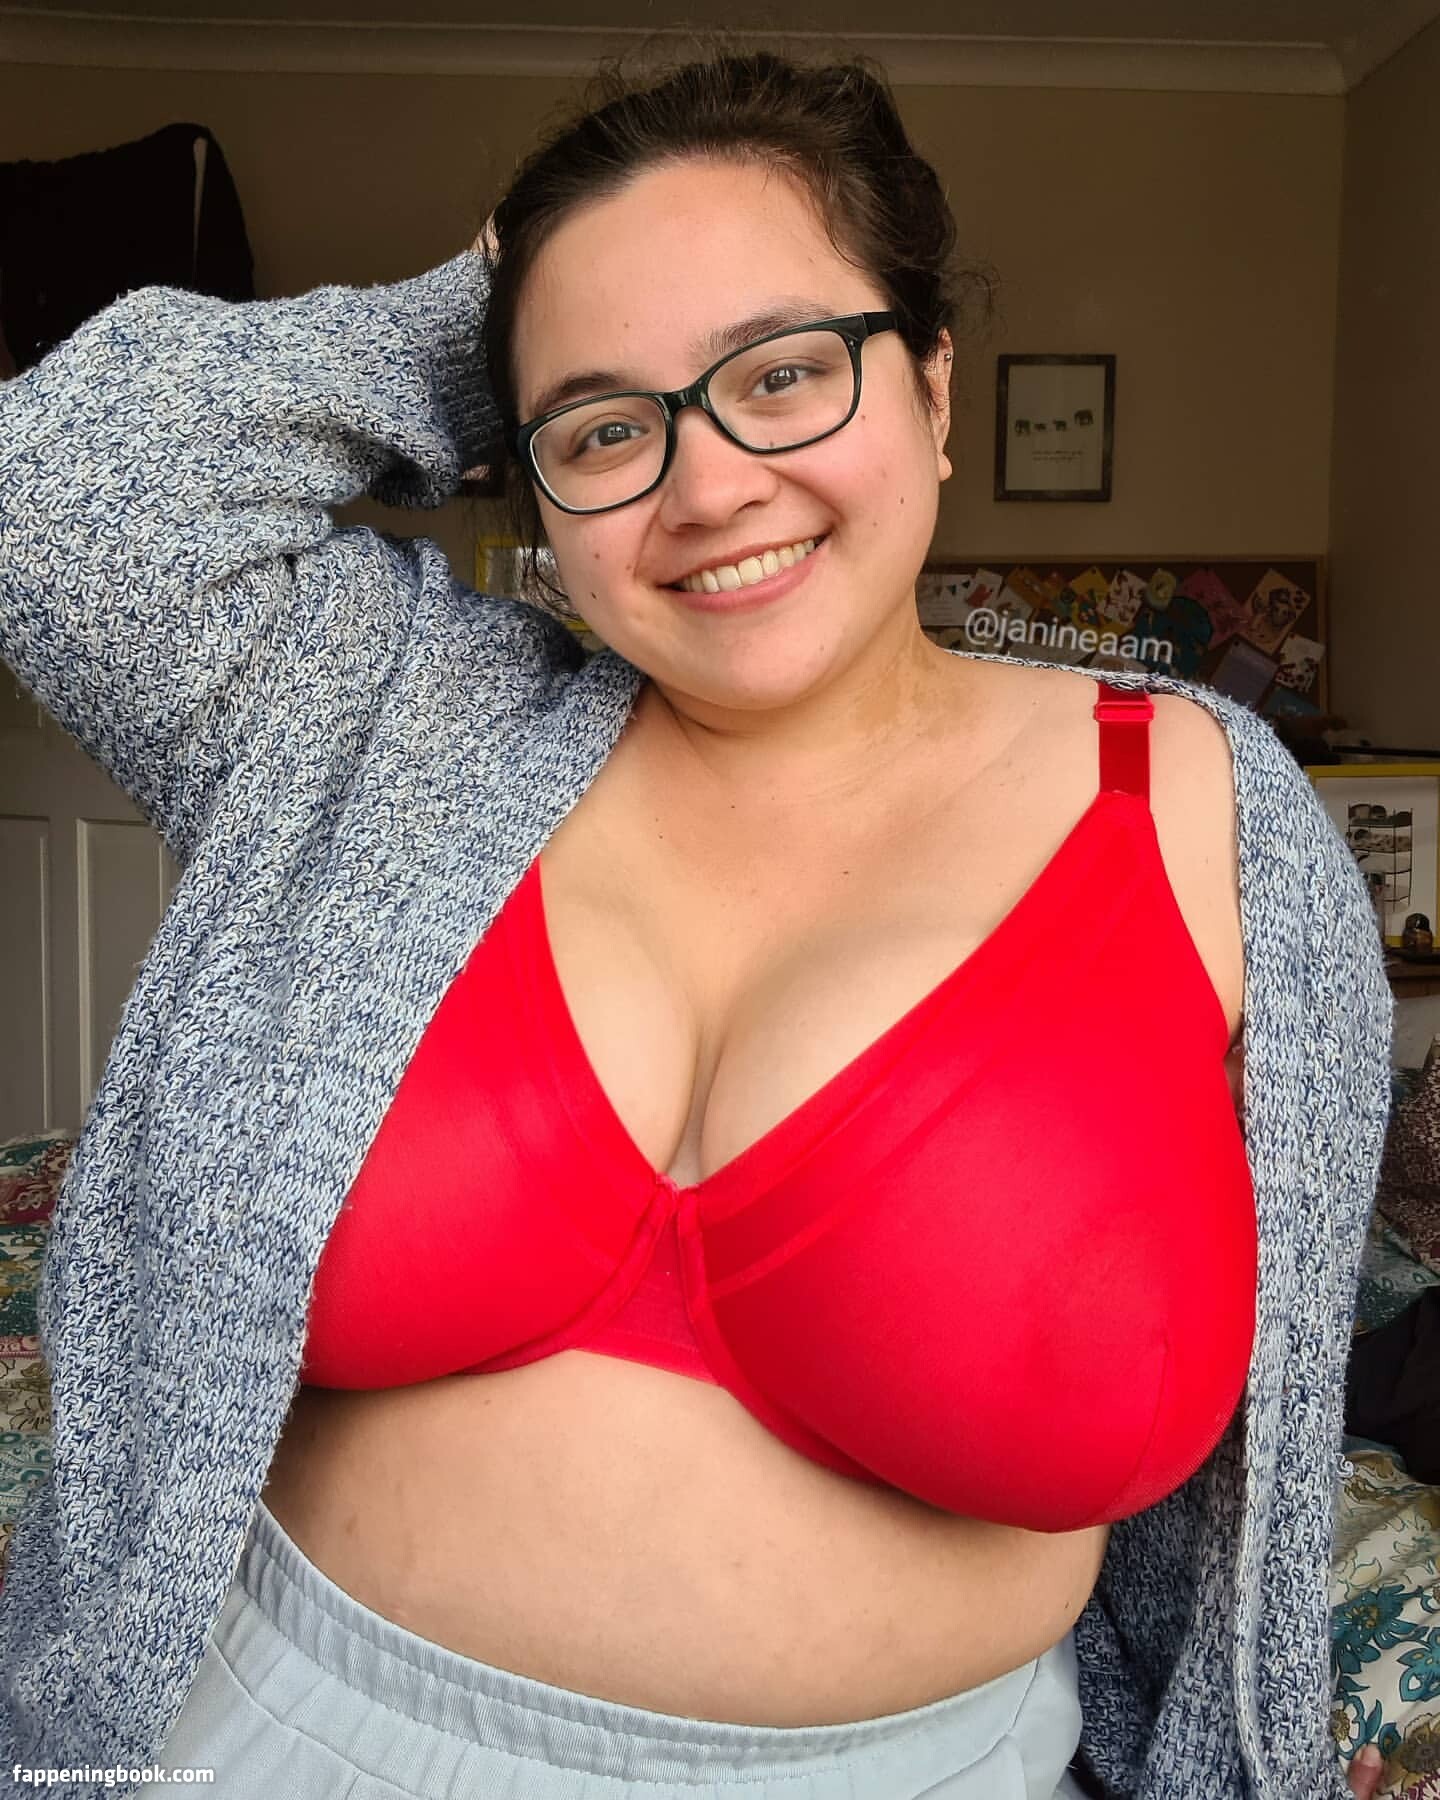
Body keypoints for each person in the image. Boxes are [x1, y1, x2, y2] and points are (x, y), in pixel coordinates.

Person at [0, 45, 1394, 1800]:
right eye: (605, 426)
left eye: (784, 373)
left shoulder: (1204, 811)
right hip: (273, 1735)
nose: (710, 485)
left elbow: (1251, 1523)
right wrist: (482, 307)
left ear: (935, 389)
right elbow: (60, 503)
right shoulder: (386, 714)